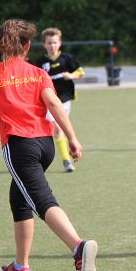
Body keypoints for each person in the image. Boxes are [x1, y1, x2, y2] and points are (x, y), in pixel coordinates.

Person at [0, 19, 98, 271]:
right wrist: (73, 138)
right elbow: (54, 104)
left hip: (20, 146)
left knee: (42, 201)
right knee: (19, 200)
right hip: (45, 145)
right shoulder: (38, 73)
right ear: (28, 45)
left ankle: (78, 246)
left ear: (0, 44)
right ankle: (21, 267)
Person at [32, 27, 85, 173]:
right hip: (49, 101)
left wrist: (71, 75)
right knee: (57, 129)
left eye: (55, 42)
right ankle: (66, 160)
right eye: (49, 43)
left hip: (65, 100)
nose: (52, 46)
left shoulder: (67, 58)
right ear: (44, 44)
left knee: (59, 129)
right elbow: (34, 81)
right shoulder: (40, 62)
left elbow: (80, 72)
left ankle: (66, 156)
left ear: (60, 43)